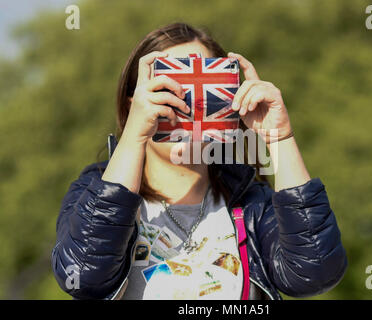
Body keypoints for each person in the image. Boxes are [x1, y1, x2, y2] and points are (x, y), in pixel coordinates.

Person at [51, 22, 347, 300]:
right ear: (134, 105)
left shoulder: (253, 205)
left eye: (204, 87)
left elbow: (315, 273)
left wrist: (279, 137)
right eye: (167, 91)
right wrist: (134, 135)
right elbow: (82, 274)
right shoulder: (94, 191)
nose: (184, 106)